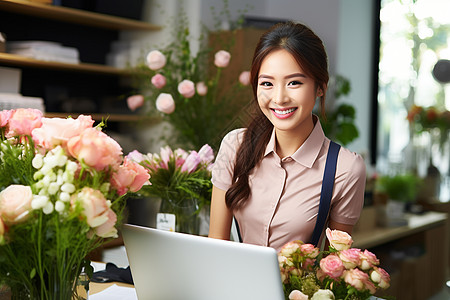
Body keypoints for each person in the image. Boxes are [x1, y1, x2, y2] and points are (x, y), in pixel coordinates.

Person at [208, 21, 366, 251]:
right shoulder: (235, 145)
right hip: (234, 285)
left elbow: (336, 267)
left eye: (294, 82)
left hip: (299, 288)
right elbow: (216, 246)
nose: (279, 98)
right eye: (267, 83)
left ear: (320, 87)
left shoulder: (346, 168)